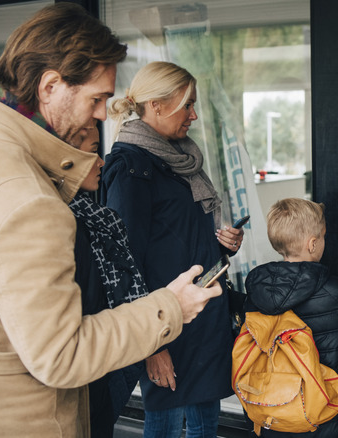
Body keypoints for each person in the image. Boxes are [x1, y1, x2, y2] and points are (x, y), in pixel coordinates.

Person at [0, 5, 221, 437]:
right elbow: (62, 354)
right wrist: (169, 308)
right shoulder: (28, 200)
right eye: (96, 98)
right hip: (16, 419)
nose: (104, 114)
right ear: (50, 86)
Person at [102, 61, 243, 438]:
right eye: (188, 105)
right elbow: (123, 261)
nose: (194, 116)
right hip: (166, 324)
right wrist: (150, 344)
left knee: (205, 427)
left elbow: (175, 234)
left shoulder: (178, 158)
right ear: (158, 105)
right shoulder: (130, 166)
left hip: (203, 317)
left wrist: (221, 240)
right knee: (165, 426)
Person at [243, 198, 338, 438]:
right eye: (324, 236)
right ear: (313, 244)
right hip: (319, 418)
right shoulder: (337, 294)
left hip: (271, 412)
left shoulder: (257, 293)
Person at [69, 127, 149, 437]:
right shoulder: (69, 227)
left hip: (104, 368)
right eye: (92, 153)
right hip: (85, 374)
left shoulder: (98, 219)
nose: (101, 162)